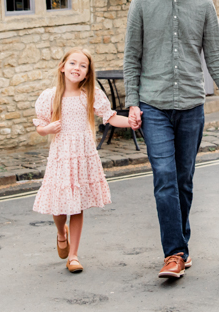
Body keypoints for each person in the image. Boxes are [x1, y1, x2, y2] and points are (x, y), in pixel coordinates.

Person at [124, 0, 219, 279]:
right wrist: (132, 103)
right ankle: (174, 253)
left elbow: (217, 58)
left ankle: (181, 246)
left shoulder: (203, 4)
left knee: (184, 179)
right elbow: (131, 58)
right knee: (164, 177)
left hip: (192, 104)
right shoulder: (142, 2)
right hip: (154, 106)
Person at [32, 48, 131, 273]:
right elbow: (40, 127)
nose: (77, 68)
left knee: (77, 205)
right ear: (62, 67)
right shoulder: (50, 96)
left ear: (87, 73)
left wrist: (133, 122)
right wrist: (48, 129)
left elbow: (111, 117)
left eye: (83, 66)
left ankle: (74, 256)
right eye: (73, 63)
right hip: (61, 157)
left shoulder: (91, 94)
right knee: (59, 208)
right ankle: (61, 232)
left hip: (83, 156)